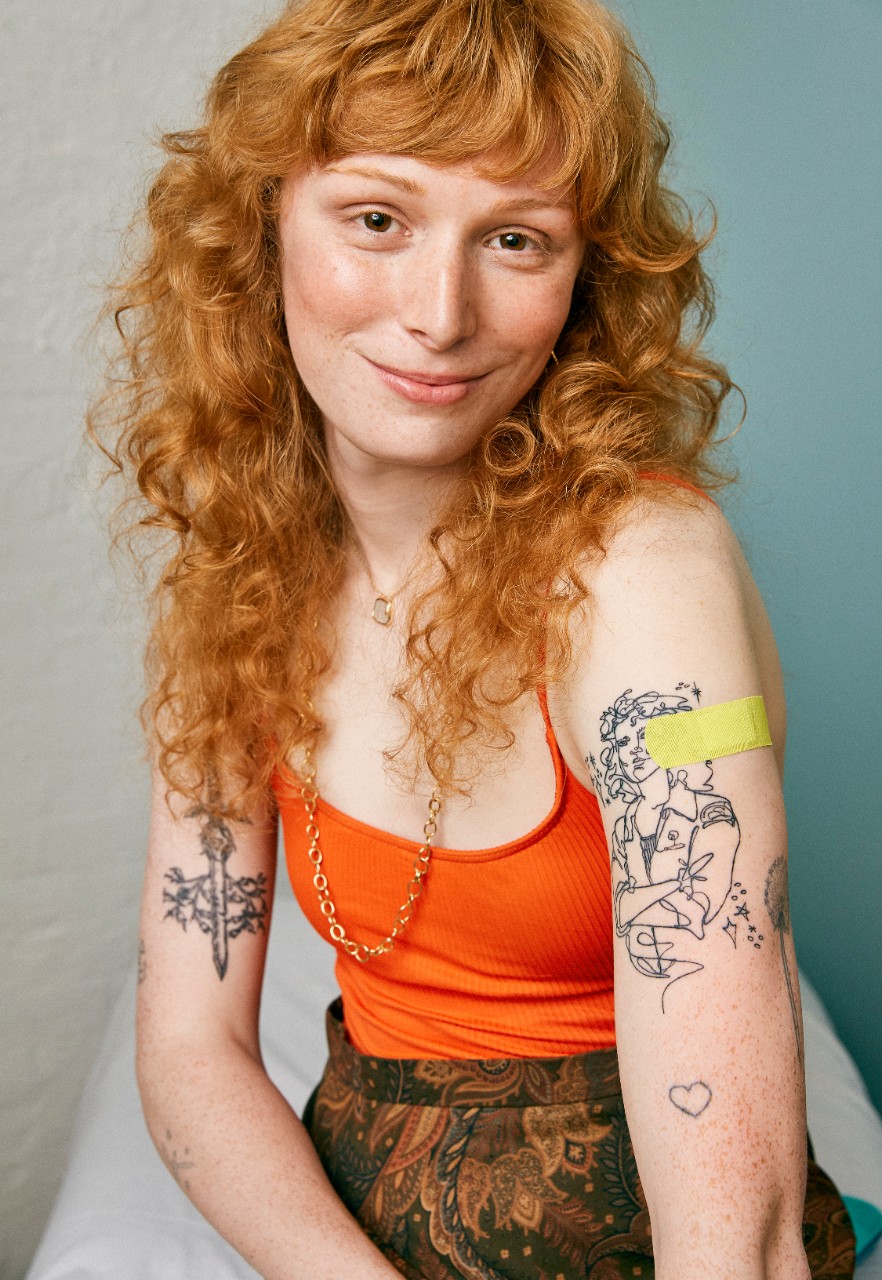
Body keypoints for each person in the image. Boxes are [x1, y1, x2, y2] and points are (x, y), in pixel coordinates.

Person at [91, 0, 856, 1275]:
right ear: (263, 217)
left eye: (514, 238)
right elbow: (189, 1047)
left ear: (586, 281)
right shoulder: (236, 566)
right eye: (378, 220)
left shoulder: (644, 572)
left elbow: (740, 1241)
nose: (439, 314)